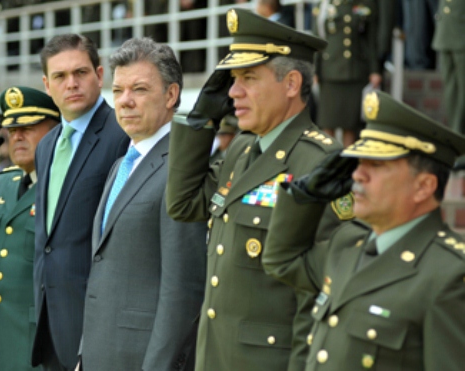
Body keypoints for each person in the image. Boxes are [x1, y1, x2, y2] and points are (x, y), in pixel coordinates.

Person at [166, 8, 351, 371]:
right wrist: (200, 123)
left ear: (292, 84)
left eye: (248, 77)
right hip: (217, 356)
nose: (233, 91)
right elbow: (184, 204)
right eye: (233, 78)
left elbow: (324, 289)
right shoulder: (242, 148)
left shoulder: (320, 163)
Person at [263, 90, 465, 370]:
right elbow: (281, 261)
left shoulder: (450, 275)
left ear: (424, 187)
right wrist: (304, 197)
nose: (358, 174)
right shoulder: (348, 243)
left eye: (377, 165)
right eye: (359, 162)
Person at [79, 37, 207, 371]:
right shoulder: (123, 163)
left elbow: (182, 288)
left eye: (139, 89)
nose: (125, 101)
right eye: (118, 90)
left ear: (171, 95)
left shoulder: (182, 169)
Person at [32, 34, 129, 371]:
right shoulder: (46, 146)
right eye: (59, 76)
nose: (71, 83)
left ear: (100, 75)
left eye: (81, 72)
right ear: (47, 84)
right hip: (49, 322)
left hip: (97, 326)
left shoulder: (123, 135)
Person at [0, 86, 60, 371]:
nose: (17, 135)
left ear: (55, 130)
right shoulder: (1, 183)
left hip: (37, 344)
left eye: (28, 126)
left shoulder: (65, 185)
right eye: (12, 127)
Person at [312, 0, 382, 147]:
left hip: (355, 71)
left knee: (350, 125)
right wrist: (314, 69)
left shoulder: (365, 4)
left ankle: (347, 166)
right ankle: (328, 163)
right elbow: (317, 38)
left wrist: (375, 69)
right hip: (329, 72)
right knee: (328, 124)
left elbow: (371, 39)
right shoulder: (325, 5)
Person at [432, 0, 465, 135]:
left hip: (461, 35)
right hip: (445, 34)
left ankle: (459, 129)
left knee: (462, 87)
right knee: (450, 87)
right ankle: (454, 128)